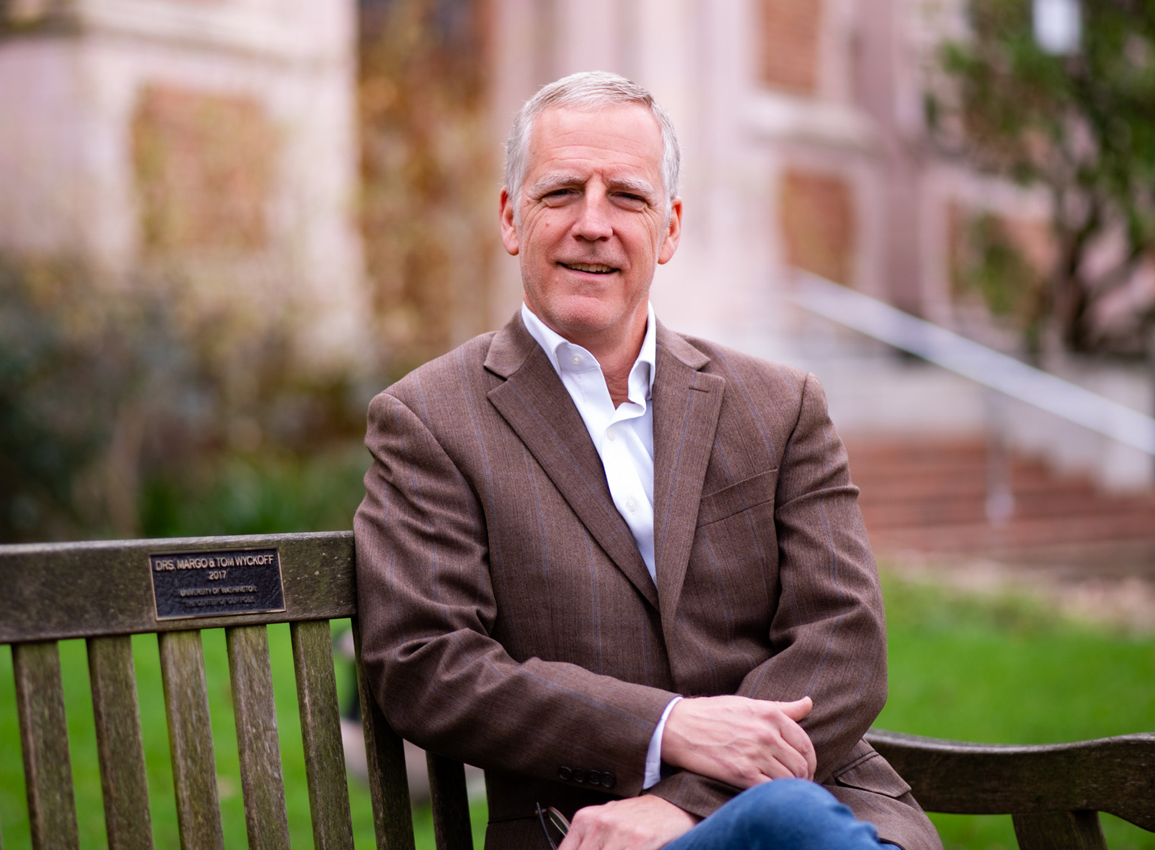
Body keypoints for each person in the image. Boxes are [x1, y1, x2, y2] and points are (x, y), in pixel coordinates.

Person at [353, 71, 941, 850]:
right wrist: (666, 728)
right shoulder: (430, 422)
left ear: (669, 229)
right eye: (562, 192)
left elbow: (844, 644)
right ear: (511, 218)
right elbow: (427, 664)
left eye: (627, 197)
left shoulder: (779, 406)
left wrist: (688, 802)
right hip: (587, 831)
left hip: (820, 807)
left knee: (785, 821)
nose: (593, 224)